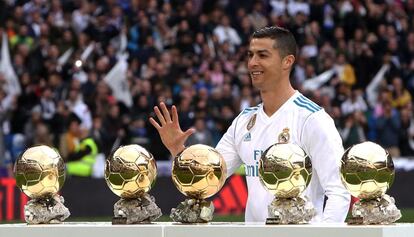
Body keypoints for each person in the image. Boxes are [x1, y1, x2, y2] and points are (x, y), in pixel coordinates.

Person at [149, 26, 350, 223]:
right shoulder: (244, 121)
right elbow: (210, 179)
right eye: (250, 55)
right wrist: (178, 150)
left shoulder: (312, 118)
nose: (253, 63)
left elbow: (338, 191)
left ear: (287, 62)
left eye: (262, 55)